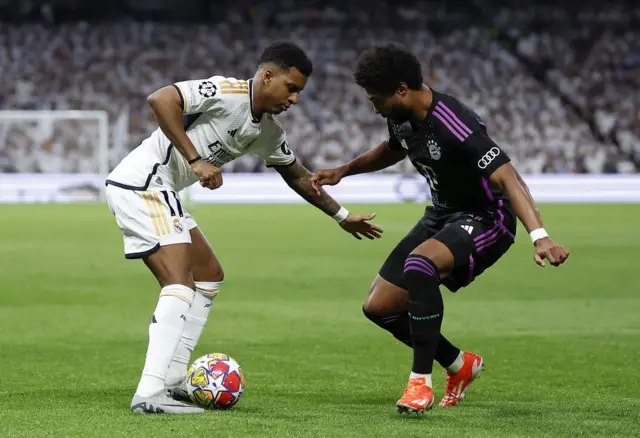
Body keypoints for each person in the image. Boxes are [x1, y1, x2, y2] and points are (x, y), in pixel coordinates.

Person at [105, 41, 382, 414]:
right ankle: (149, 393)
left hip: (162, 188)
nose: (295, 99)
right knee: (179, 283)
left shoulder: (267, 130)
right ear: (268, 76)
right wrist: (196, 159)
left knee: (208, 275)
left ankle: (172, 381)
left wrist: (342, 215)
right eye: (291, 87)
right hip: (142, 183)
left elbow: (297, 176)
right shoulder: (226, 91)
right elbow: (160, 99)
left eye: (299, 92)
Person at [311, 43, 569, 415]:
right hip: (441, 214)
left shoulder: (453, 121)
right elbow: (393, 148)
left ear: (401, 90)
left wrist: (540, 235)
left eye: (375, 98)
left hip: (487, 217)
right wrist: (344, 170)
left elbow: (509, 177)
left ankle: (420, 384)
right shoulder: (400, 115)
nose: (372, 106)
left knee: (420, 266)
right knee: (379, 307)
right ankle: (459, 364)